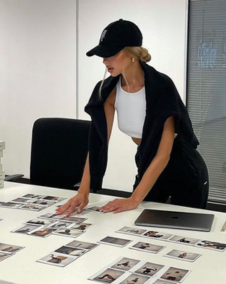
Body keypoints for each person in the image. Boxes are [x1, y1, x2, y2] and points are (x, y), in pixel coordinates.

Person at [56, 19, 209, 216]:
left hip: (182, 166)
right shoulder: (107, 90)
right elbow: (97, 144)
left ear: (132, 54)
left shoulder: (161, 87)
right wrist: (83, 191)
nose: (105, 60)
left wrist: (135, 198)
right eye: (103, 55)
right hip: (146, 161)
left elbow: (163, 154)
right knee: (139, 225)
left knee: (186, 233)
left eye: (111, 54)